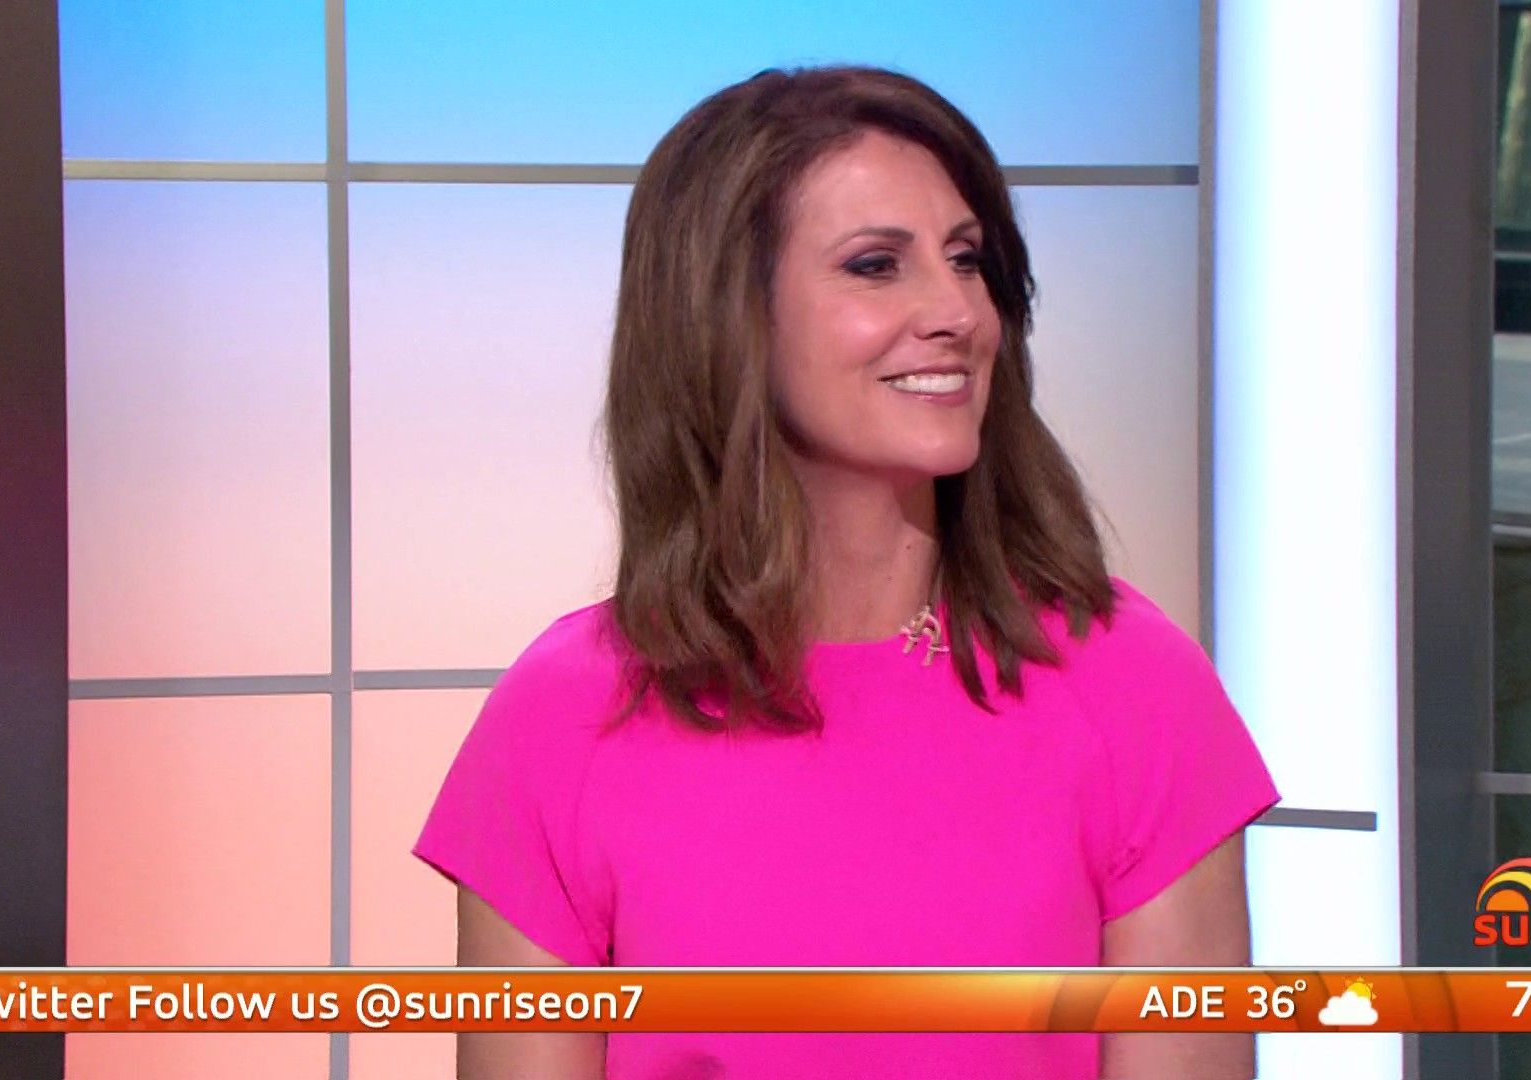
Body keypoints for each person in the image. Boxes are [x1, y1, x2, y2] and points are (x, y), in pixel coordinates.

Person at [414, 64, 1280, 1080]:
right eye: (877, 265)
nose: (958, 311)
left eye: (968, 260)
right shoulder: (563, 719)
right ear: (728, 316)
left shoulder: (1133, 685)